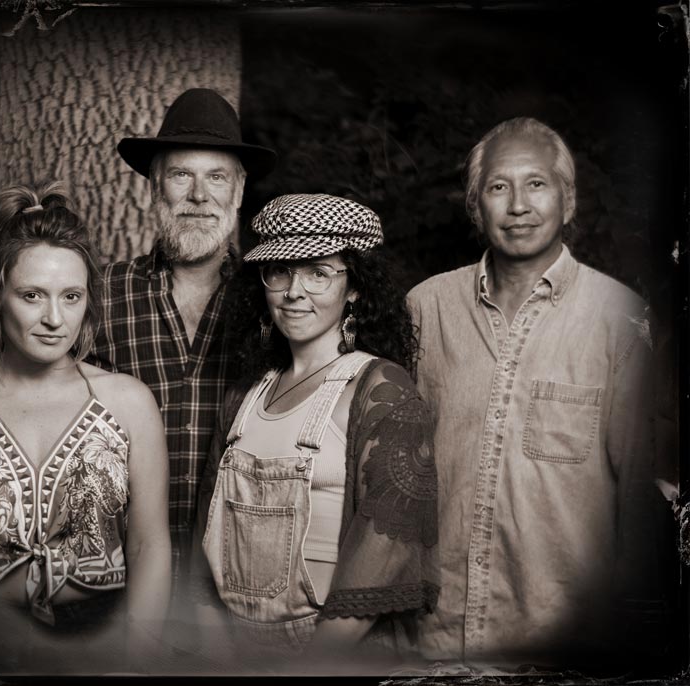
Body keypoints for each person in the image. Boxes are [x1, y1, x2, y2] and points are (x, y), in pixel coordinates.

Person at [408, 117, 667, 669]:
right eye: (499, 187)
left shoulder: (620, 320)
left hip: (559, 653)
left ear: (568, 201)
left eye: (537, 184)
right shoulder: (425, 309)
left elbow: (639, 501)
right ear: (476, 208)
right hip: (429, 644)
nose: (518, 205)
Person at [0, 183, 171, 672]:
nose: (54, 318)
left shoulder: (128, 403)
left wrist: (137, 663)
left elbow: (150, 544)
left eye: (71, 296)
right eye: (32, 295)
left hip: (98, 649)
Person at [192, 193, 439, 665]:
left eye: (318, 272)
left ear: (355, 288)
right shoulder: (244, 396)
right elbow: (205, 532)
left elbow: (384, 548)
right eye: (279, 271)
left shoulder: (380, 388)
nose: (294, 292)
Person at [89, 88, 277, 583]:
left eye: (216, 178)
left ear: (238, 192)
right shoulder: (98, 295)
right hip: (115, 577)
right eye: (181, 175)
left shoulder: (275, 303)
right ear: (154, 189)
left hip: (236, 584)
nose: (199, 196)